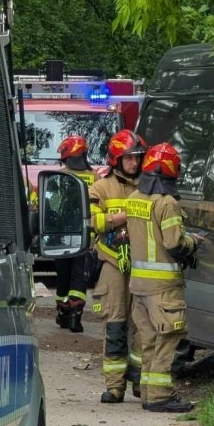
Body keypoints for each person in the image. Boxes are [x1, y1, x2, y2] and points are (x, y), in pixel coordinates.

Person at [125, 143, 202, 412]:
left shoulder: (134, 198)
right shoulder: (166, 203)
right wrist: (192, 241)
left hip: (139, 286)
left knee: (148, 340)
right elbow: (174, 244)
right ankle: (160, 396)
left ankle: (147, 393)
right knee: (169, 338)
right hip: (164, 288)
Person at [90, 129, 148, 404]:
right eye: (129, 158)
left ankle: (138, 381)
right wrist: (124, 216)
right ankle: (114, 387)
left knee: (140, 325)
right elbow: (93, 223)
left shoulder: (147, 187)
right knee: (115, 325)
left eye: (137, 158)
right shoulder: (100, 187)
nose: (134, 163)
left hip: (140, 263)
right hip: (113, 262)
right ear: (116, 159)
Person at [55, 135, 96, 333]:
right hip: (86, 236)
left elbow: (52, 207)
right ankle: (75, 317)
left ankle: (63, 314)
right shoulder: (96, 178)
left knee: (63, 275)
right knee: (79, 277)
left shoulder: (59, 177)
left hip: (62, 236)